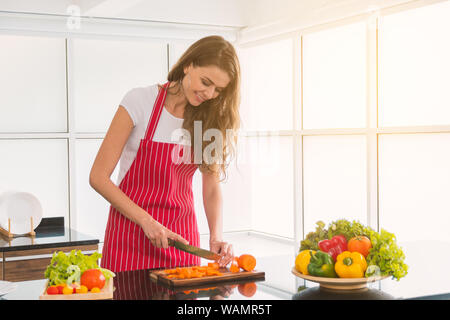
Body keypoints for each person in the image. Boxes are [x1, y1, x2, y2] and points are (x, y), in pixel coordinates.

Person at [89, 35, 241, 272]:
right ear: (188, 65)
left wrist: (215, 236)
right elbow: (98, 177)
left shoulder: (210, 117)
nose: (210, 94)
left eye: (218, 89)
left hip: (181, 243)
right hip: (130, 238)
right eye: (205, 81)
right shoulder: (140, 101)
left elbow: (211, 187)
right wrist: (147, 222)